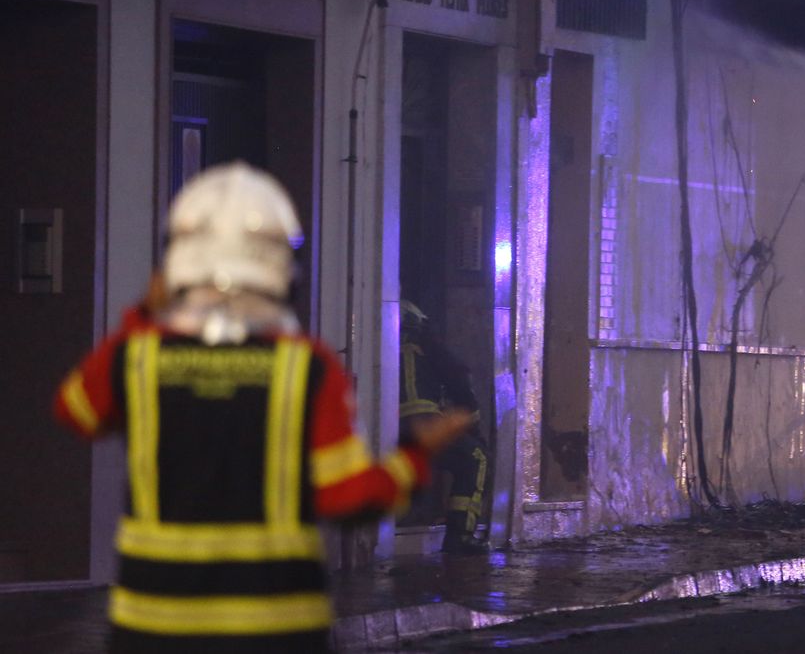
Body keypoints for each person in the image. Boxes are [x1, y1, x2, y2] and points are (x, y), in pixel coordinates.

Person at [53, 163, 471, 652]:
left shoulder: (138, 354)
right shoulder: (306, 367)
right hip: (274, 627)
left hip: (153, 628)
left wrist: (145, 313)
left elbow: (76, 411)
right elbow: (349, 499)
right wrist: (415, 455)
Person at [399, 300, 490, 554]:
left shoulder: (378, 345)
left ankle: (412, 516)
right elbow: (458, 381)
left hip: (386, 428)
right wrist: (473, 427)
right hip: (423, 425)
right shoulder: (427, 345)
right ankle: (460, 536)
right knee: (476, 457)